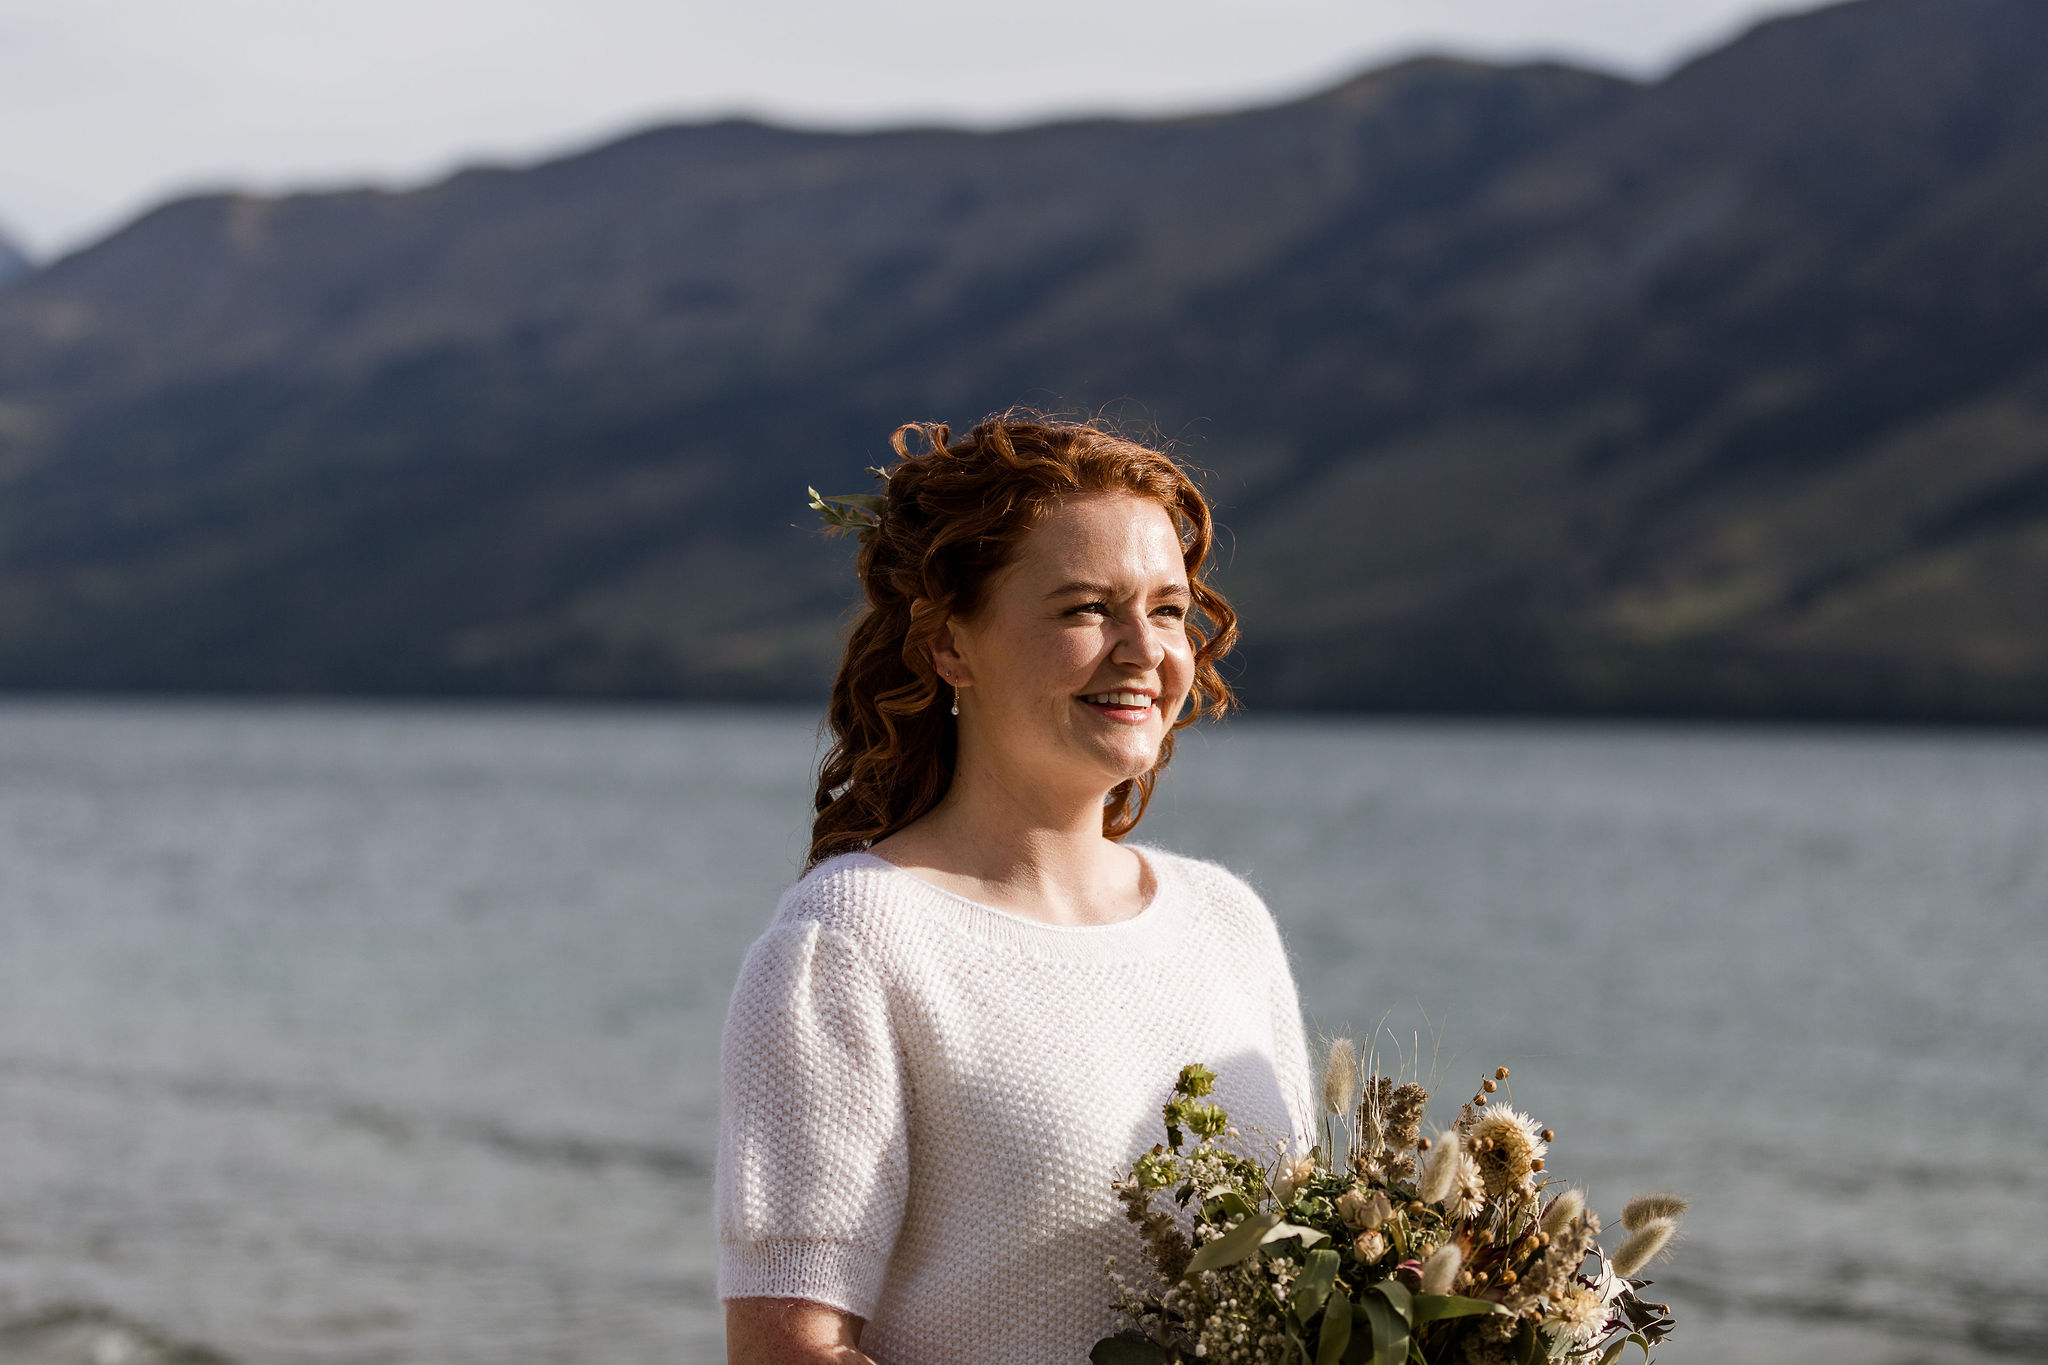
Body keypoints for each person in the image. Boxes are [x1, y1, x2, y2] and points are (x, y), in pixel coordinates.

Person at [717, 415, 1315, 1365]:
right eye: (1085, 608)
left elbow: (1312, 1285)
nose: (1142, 650)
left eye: (1166, 609)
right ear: (951, 644)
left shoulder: (1226, 923)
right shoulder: (850, 942)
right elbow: (786, 1353)